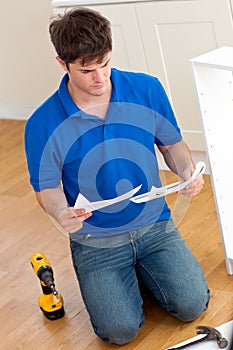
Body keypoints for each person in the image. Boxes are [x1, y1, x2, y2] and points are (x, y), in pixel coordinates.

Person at [24, 7, 210, 345]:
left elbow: (173, 146)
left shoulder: (147, 89)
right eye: (87, 70)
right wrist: (59, 212)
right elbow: (47, 189)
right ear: (62, 64)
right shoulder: (42, 123)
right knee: (119, 331)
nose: (100, 77)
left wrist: (185, 171)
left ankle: (142, 273)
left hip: (154, 225)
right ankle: (126, 279)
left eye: (105, 63)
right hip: (96, 240)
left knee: (192, 305)